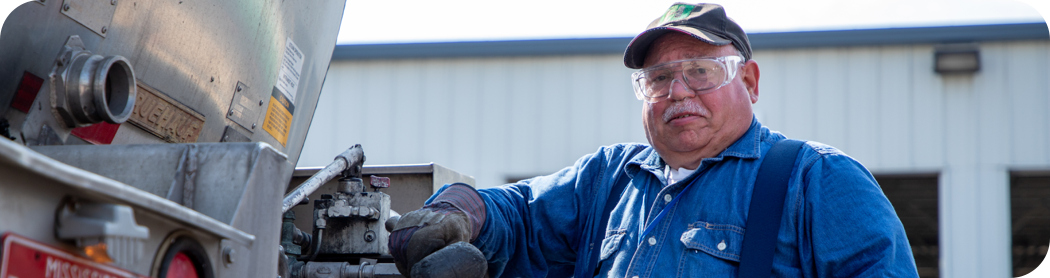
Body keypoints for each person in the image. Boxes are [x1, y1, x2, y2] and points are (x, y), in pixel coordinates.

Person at [389, 3, 919, 277]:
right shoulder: (609, 179)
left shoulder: (819, 181)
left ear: (750, 83)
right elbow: (521, 216)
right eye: (659, 79)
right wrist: (462, 211)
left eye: (702, 71)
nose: (678, 91)